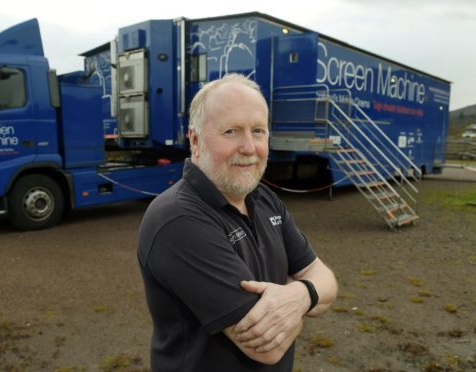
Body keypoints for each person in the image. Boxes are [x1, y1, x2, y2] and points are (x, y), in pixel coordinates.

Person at [137, 73, 337, 371]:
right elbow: (265, 347)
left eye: (258, 131)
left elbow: (325, 279)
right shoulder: (177, 219)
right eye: (231, 131)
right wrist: (310, 294)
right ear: (195, 139)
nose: (249, 147)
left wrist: (299, 294)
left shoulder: (265, 199)